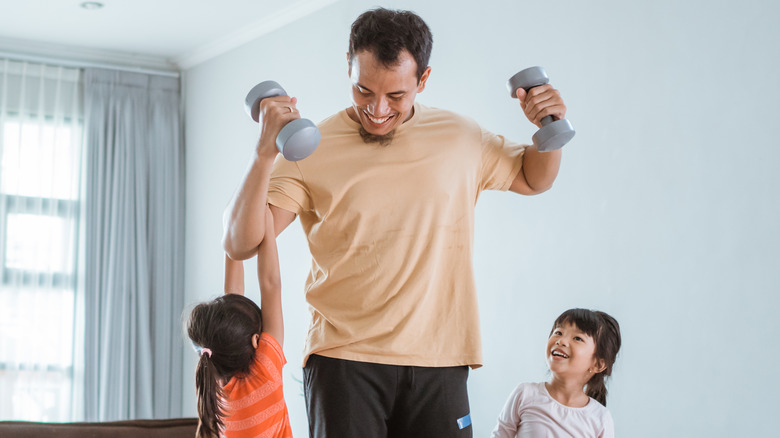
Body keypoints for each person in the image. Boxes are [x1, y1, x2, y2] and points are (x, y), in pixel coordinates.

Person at [223, 7, 568, 437]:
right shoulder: (310, 147)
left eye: (396, 96)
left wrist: (547, 130)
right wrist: (263, 153)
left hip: (441, 359)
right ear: (347, 65)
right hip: (344, 359)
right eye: (363, 90)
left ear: (422, 80)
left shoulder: (460, 137)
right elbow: (242, 243)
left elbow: (532, 178)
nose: (377, 109)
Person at [188, 211, 292, 438]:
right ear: (256, 341)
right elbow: (266, 285)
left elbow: (270, 285)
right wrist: (259, 220)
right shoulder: (263, 374)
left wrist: (246, 232)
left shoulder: (219, 389)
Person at [490, 309, 621, 438]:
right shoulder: (525, 394)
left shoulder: (601, 418)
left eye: (577, 338)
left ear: (598, 364)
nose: (561, 341)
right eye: (558, 332)